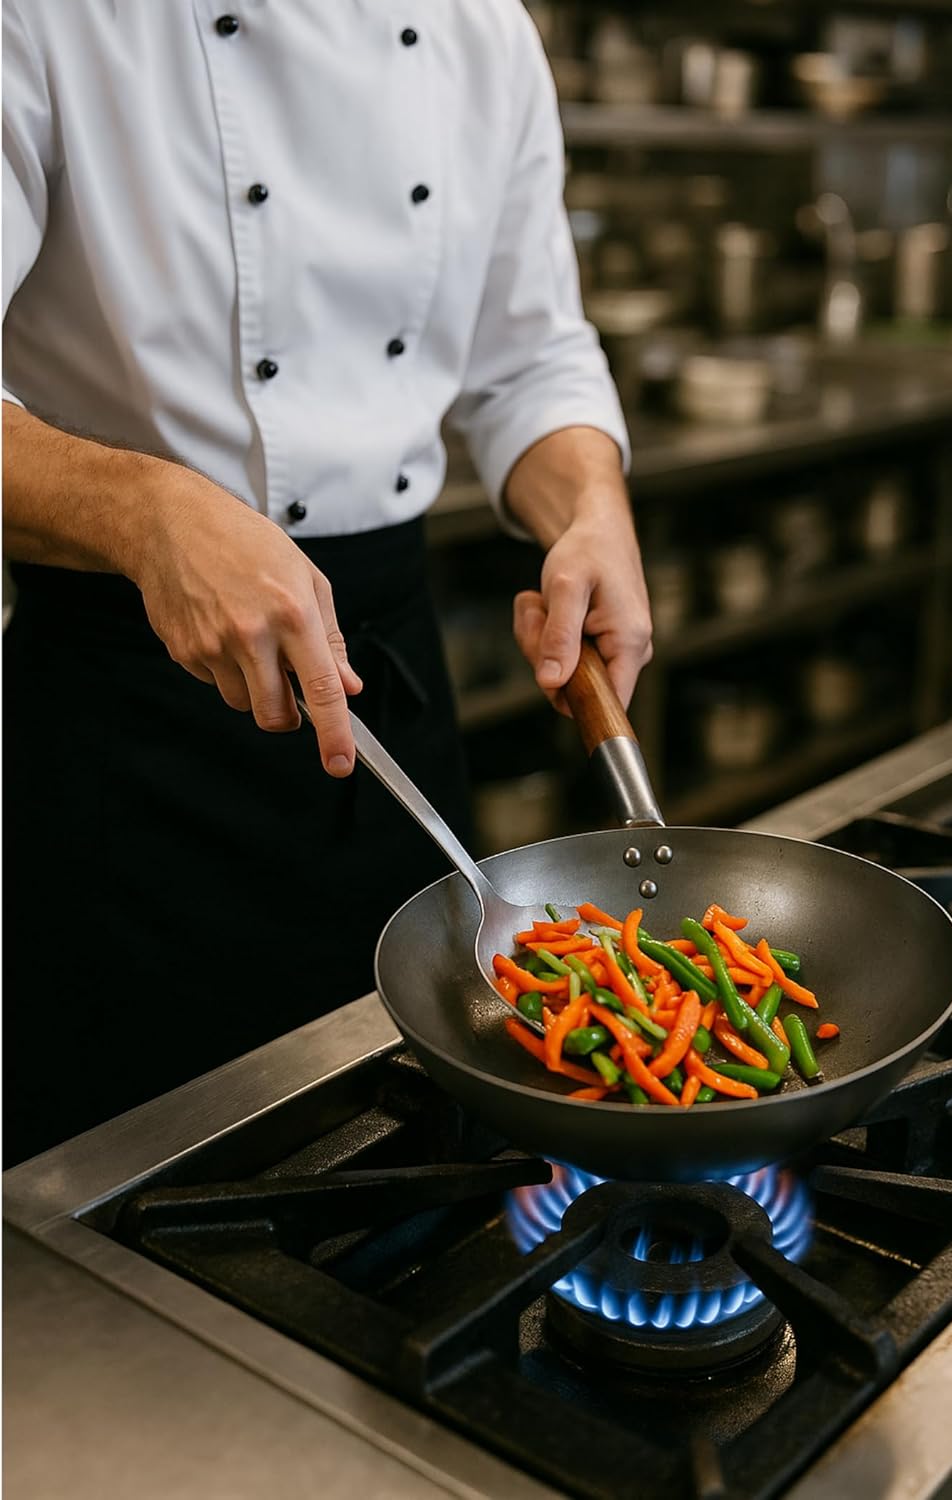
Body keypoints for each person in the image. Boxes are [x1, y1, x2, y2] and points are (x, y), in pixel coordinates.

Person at [2, 1, 653, 1164]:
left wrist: (591, 510)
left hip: (387, 681)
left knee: (419, 1135)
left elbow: (529, 358)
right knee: (120, 1172)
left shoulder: (478, 27)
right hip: (122, 725)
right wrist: (146, 512)